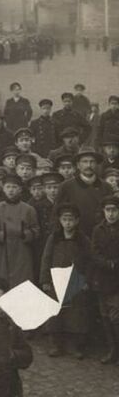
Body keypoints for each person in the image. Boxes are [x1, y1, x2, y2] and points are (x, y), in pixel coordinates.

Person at [40, 203, 92, 359]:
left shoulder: (82, 239)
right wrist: (45, 280)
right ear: (60, 221)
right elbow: (46, 258)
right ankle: (55, 343)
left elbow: (90, 260)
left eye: (71, 219)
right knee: (56, 312)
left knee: (76, 314)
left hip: (76, 280)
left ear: (76, 221)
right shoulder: (54, 237)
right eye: (64, 219)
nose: (68, 223)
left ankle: (75, 345)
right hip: (56, 280)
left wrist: (86, 280)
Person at [0, 174, 40, 288]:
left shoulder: (28, 209)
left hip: (23, 252)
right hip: (3, 251)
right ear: (3, 188)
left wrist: (25, 234)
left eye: (14, 187)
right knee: (5, 283)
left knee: (23, 284)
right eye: (8, 187)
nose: (11, 190)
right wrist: (2, 235)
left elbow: (36, 230)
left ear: (20, 189)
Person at [57, 147, 111, 238]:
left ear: (97, 164)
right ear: (78, 165)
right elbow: (57, 214)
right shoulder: (66, 187)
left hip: (101, 237)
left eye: (92, 162)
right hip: (75, 237)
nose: (88, 165)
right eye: (85, 162)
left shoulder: (106, 187)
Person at [91, 195, 119, 364]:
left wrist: (114, 264)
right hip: (102, 278)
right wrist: (105, 264)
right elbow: (94, 252)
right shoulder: (97, 229)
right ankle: (112, 350)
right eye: (108, 210)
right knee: (105, 316)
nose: (111, 214)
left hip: (117, 279)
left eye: (114, 210)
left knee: (116, 316)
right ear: (103, 211)